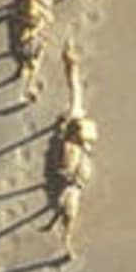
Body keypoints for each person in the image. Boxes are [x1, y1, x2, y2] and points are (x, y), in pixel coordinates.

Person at [43, 42, 97, 257]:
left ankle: (66, 241)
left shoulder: (76, 118)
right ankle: (66, 241)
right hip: (66, 184)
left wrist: (71, 66)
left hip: (72, 184)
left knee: (69, 214)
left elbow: (75, 89)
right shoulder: (65, 143)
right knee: (67, 210)